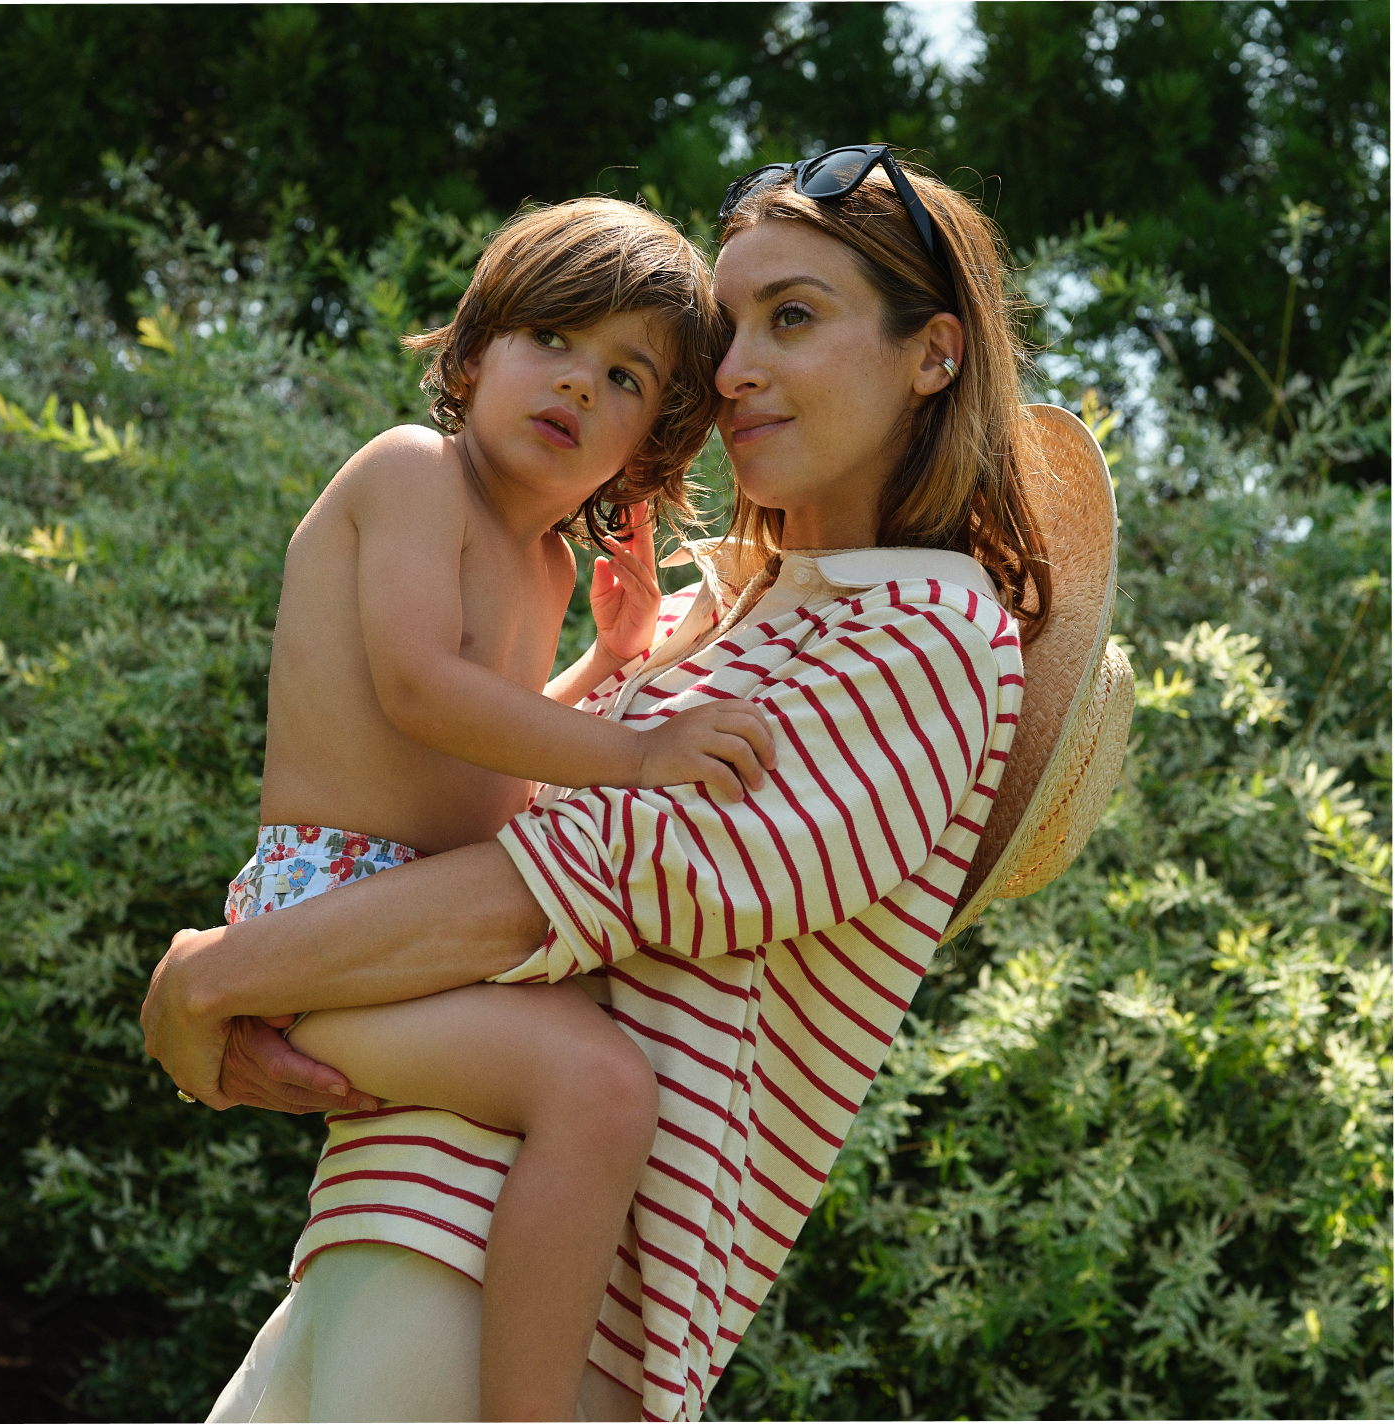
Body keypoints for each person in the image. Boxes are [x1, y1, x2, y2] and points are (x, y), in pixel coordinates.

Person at [145, 148, 1052, 1424]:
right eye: (726, 330)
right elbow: (480, 783)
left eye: (791, 317)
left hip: (509, 1299)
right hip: (394, 1220)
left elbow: (560, 882)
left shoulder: (926, 631)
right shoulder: (717, 609)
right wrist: (625, 671)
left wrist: (215, 977)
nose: (733, 368)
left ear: (934, 353)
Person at [206, 196, 776, 1422]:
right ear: (471, 357)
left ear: (650, 447)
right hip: (331, 911)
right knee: (599, 1089)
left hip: (411, 925)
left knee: (618, 1071)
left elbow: (492, 774)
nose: (578, 383)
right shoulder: (409, 475)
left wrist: (609, 658)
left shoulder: (552, 567)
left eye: (625, 376)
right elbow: (421, 690)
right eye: (552, 339)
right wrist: (643, 752)